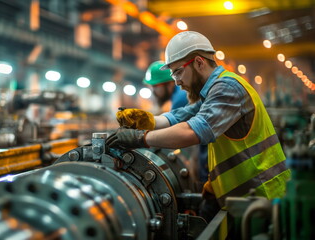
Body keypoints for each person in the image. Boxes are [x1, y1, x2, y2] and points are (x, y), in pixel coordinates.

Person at [107, 31, 290, 222]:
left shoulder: (228, 88)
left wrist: (140, 138)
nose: (176, 81)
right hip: (245, 195)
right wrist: (148, 121)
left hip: (262, 193)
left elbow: (192, 131)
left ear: (199, 63)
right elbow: (182, 115)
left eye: (178, 71)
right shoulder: (213, 90)